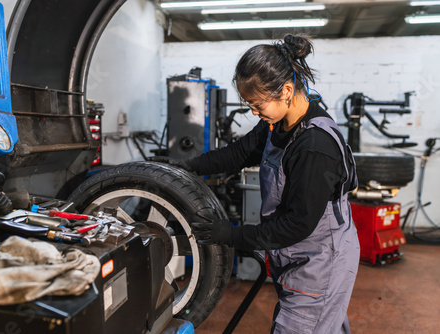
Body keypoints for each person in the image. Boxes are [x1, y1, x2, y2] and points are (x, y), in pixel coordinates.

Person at [154, 34, 360, 333]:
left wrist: (231, 235)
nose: (253, 111)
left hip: (319, 262)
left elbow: (297, 225)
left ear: (286, 91)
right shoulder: (278, 124)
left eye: (256, 103)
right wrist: (188, 167)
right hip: (297, 256)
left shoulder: (314, 147)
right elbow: (239, 153)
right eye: (248, 103)